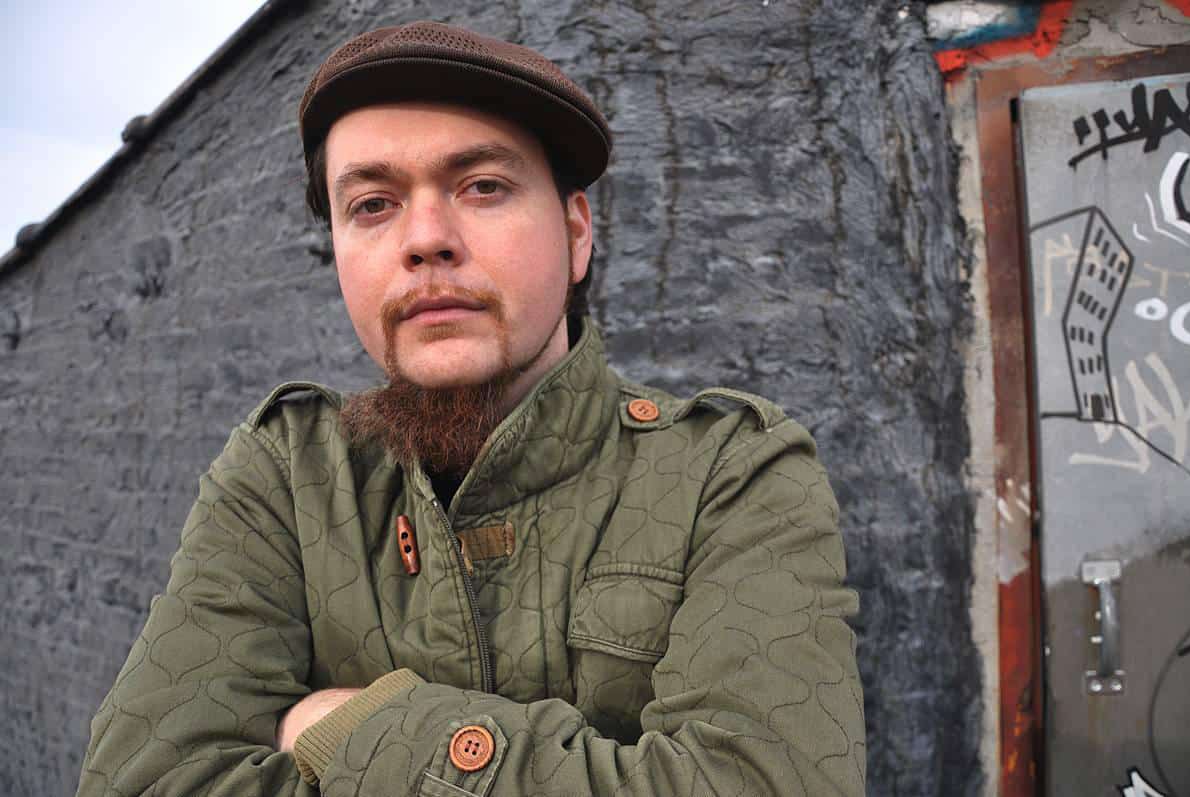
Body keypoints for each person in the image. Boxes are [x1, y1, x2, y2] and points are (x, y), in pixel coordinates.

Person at [76, 20, 865, 797]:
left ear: (576, 231)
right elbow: (143, 780)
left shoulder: (730, 470)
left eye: (482, 185)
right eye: (373, 204)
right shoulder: (288, 475)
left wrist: (351, 728)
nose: (424, 239)